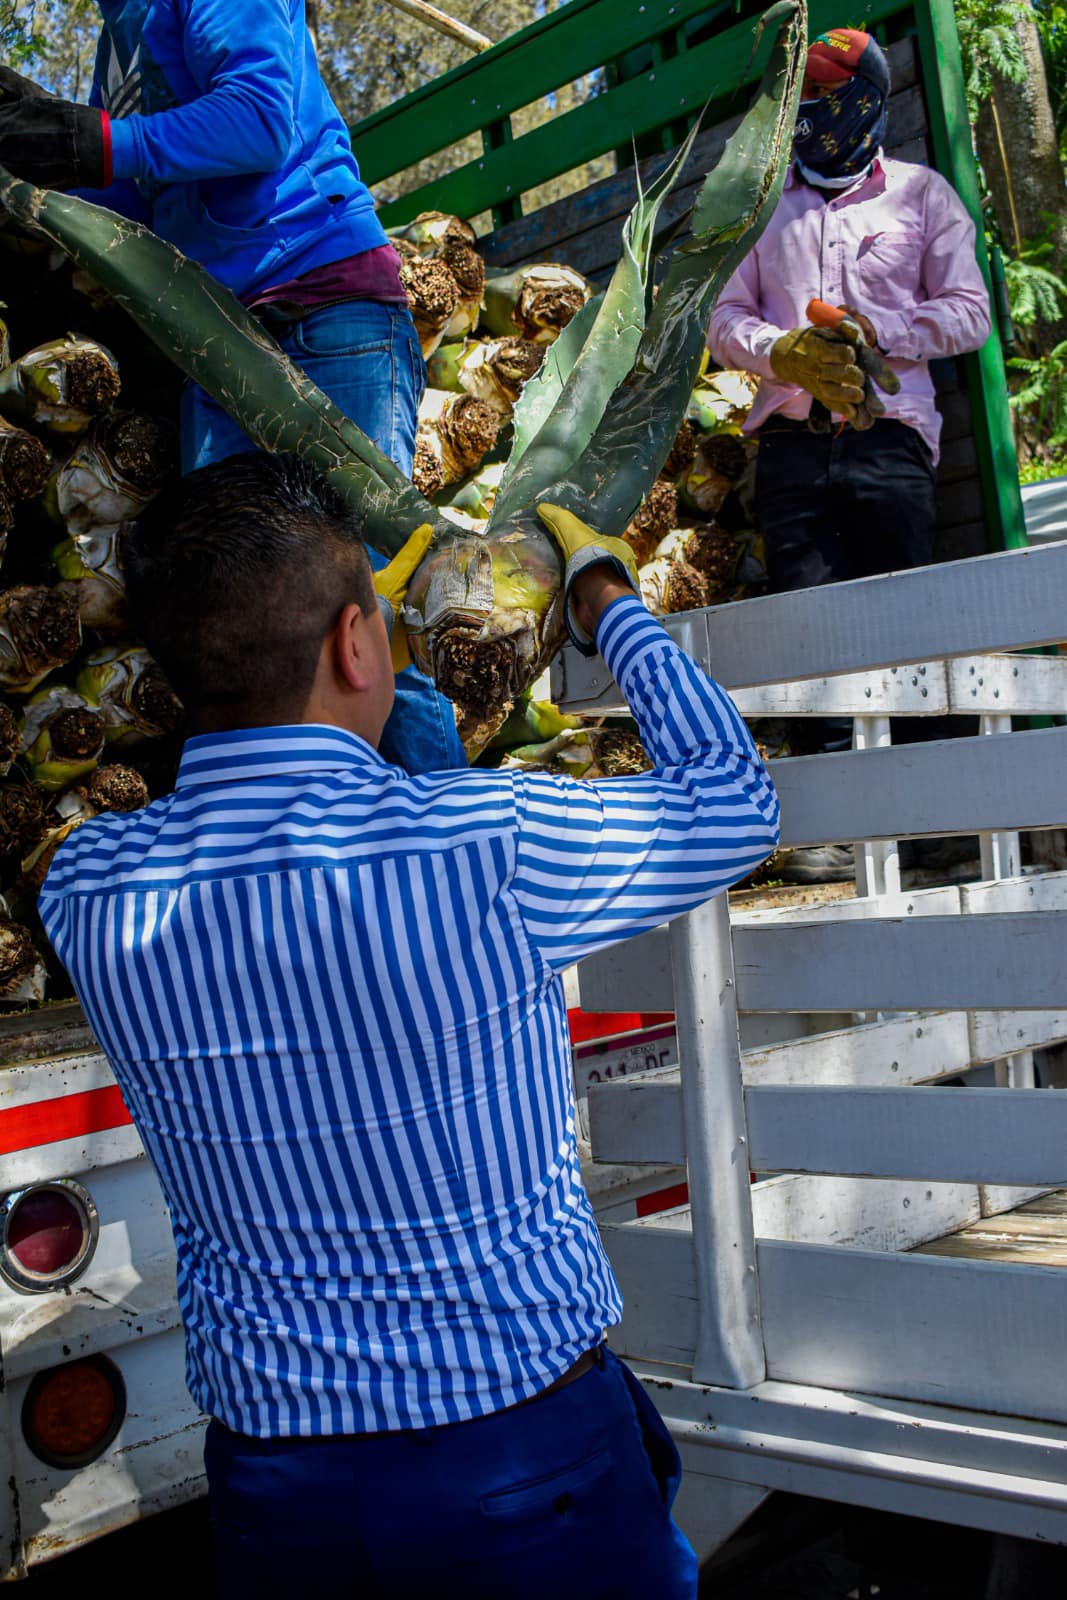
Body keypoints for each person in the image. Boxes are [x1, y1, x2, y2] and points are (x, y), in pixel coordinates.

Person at [38, 452, 779, 1599]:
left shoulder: (90, 886)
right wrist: (604, 601)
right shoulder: (486, 841)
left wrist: (366, 628)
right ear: (352, 644)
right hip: (521, 1461)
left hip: (280, 1490)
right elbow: (736, 801)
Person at [0, 0, 464, 776]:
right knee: (231, 616)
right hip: (217, 336)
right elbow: (140, 190)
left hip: (323, 308)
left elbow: (255, 120)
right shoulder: (120, 30)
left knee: (372, 612)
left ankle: (451, 865)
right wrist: (46, 151)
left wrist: (100, 143)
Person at [708, 26, 992, 882]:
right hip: (791, 444)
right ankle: (831, 831)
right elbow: (724, 323)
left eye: (826, 97)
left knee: (906, 622)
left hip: (889, 438)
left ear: (867, 97)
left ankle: (935, 825)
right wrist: (781, 352)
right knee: (810, 629)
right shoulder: (765, 209)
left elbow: (970, 312)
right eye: (799, 100)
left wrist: (886, 331)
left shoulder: (922, 196)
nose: (809, 115)